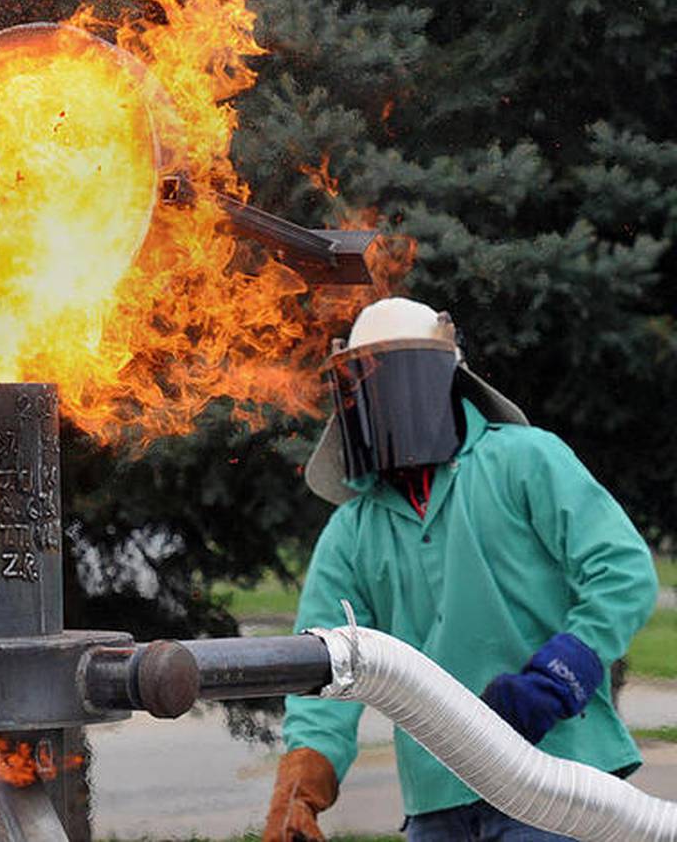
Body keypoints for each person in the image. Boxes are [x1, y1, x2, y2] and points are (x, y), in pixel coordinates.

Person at [263, 297, 659, 841]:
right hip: (438, 802)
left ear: (444, 380)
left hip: (561, 782)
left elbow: (623, 571)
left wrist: (559, 676)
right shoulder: (354, 531)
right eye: (372, 387)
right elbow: (325, 663)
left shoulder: (524, 461)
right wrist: (301, 786)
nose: (392, 405)